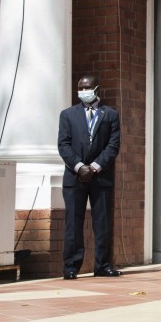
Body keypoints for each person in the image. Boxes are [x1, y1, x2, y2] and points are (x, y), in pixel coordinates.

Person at [57, 74, 122, 279]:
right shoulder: (67, 115)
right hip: (74, 177)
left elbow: (113, 145)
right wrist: (79, 167)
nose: (83, 91)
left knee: (102, 223)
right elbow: (63, 145)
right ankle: (71, 267)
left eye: (87, 87)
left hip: (100, 177)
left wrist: (94, 167)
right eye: (80, 88)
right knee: (73, 224)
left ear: (96, 89)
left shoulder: (110, 114)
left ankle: (102, 265)